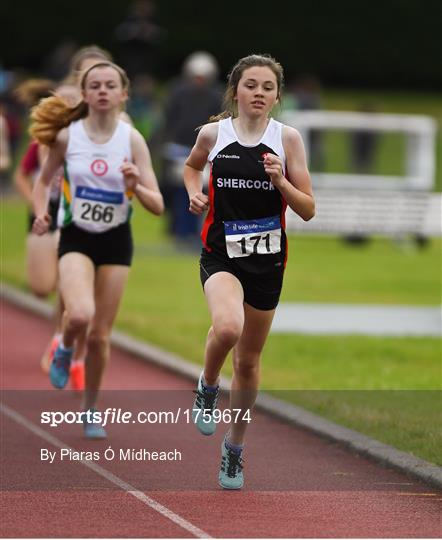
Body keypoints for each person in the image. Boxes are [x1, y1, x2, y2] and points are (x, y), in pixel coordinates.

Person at [184, 54, 315, 489]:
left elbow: (308, 209)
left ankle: (234, 449)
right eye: (251, 85)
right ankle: (206, 385)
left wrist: (281, 182)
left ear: (277, 96)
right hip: (221, 254)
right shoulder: (213, 133)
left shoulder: (288, 140)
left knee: (250, 361)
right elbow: (191, 166)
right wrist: (194, 193)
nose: (258, 93)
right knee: (227, 327)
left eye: (267, 87)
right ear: (235, 90)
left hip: (267, 261)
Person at [31, 61, 164, 438]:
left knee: (101, 336)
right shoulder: (67, 138)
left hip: (116, 240)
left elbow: (157, 205)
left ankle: (90, 408)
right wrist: (43, 213)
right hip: (76, 235)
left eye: (110, 85)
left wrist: (136, 184)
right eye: (95, 85)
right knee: (79, 315)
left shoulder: (132, 140)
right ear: (85, 94)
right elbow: (43, 184)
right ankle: (64, 348)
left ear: (124, 95)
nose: (103, 91)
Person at [161, 51, 222, 244]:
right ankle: (179, 231)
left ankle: (198, 234)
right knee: (180, 191)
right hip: (179, 149)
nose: (199, 81)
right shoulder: (178, 92)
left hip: (204, 151)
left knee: (202, 191)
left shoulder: (215, 96)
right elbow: (169, 120)